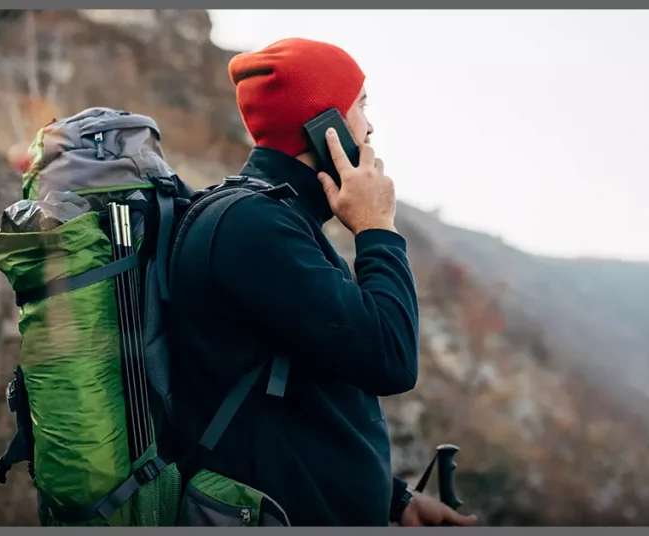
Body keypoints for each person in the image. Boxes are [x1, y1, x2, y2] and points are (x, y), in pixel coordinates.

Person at [166, 37, 479, 527]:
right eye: (361, 106)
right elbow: (391, 359)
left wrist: (392, 498)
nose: (371, 126)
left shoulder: (275, 221)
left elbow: (306, 389)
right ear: (323, 126)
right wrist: (377, 228)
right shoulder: (256, 227)